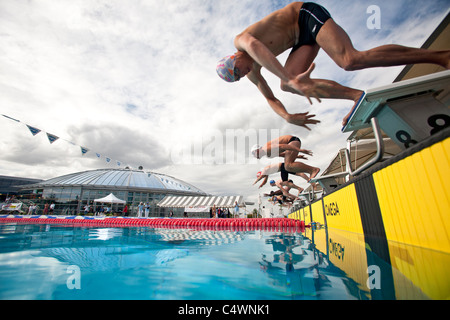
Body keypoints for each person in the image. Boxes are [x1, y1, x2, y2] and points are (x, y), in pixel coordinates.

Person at [216, 2, 450, 127]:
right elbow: (270, 98)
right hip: (300, 42)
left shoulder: (241, 41)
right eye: (237, 78)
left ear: (234, 58)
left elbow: (257, 47)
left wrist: (289, 77)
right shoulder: (252, 73)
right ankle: (357, 95)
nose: (242, 75)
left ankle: (441, 57)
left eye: (237, 72)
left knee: (350, 60)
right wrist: (286, 116)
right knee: (288, 87)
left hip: (304, 16)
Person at [254, 162, 319, 188]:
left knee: (284, 182)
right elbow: (265, 181)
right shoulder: (266, 173)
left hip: (283, 167)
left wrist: (255, 182)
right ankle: (312, 182)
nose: (263, 177)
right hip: (283, 167)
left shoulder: (265, 170)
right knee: (299, 174)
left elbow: (260, 177)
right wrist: (261, 185)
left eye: (262, 176)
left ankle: (299, 188)